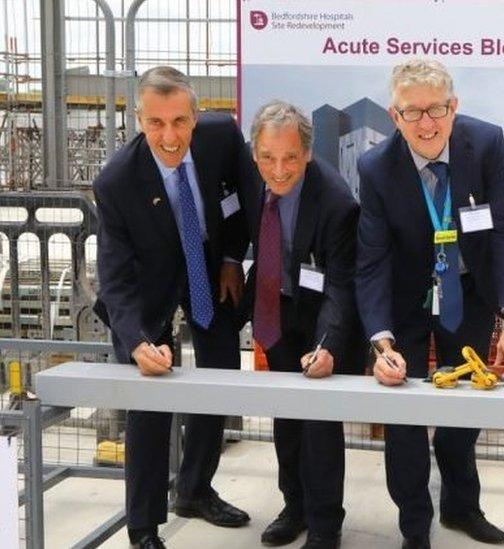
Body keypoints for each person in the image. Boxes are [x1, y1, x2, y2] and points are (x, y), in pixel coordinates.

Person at [356, 58, 504, 549]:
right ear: (395, 117)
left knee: (465, 407)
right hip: (408, 298)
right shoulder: (375, 168)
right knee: (405, 419)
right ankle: (415, 525)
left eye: (436, 108)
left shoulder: (486, 144)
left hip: (468, 294)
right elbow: (370, 261)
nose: (427, 123)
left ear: (454, 107)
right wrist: (381, 341)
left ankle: (462, 507)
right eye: (412, 112)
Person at [93, 66, 251, 549]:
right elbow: (115, 280)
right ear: (139, 119)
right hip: (150, 286)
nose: (169, 136)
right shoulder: (116, 183)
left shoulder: (223, 136)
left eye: (179, 122)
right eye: (156, 123)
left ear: (196, 117)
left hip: (208, 267)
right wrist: (138, 340)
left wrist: (230, 258)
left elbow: (250, 199)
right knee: (150, 399)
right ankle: (142, 527)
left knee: (218, 377)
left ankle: (196, 490)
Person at [239, 101, 363, 549]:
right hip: (278, 309)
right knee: (287, 418)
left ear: (307, 154)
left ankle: (326, 523)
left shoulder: (336, 203)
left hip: (323, 319)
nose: (279, 169)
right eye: (268, 157)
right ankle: (294, 507)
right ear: (255, 153)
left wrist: (327, 345)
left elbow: (341, 287)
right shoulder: (249, 178)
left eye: (290, 157)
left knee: (319, 425)